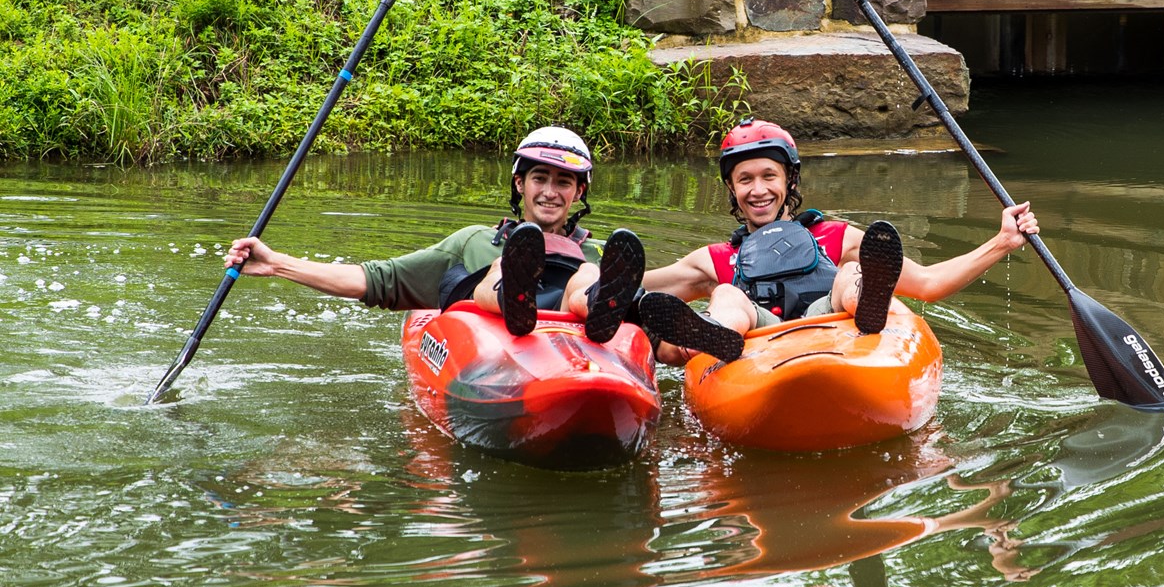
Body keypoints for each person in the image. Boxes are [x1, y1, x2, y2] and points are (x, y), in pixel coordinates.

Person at [636, 117, 1039, 362]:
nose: (758, 190)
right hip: (758, 343)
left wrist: (1001, 241)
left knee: (850, 271)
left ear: (789, 180)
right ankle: (716, 333)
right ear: (732, 189)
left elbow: (929, 285)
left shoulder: (835, 236)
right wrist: (579, 273)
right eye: (745, 180)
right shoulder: (717, 259)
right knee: (726, 295)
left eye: (769, 176)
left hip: (831, 327)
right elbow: (628, 289)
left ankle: (869, 302)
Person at [222, 126, 645, 342]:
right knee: (503, 264)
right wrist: (278, 262)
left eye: (564, 183)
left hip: (572, 335)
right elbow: (376, 279)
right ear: (520, 184)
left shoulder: (601, 254)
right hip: (492, 326)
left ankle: (596, 304)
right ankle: (509, 294)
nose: (550, 192)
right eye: (539, 178)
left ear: (579, 192)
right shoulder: (476, 242)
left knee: (589, 276)